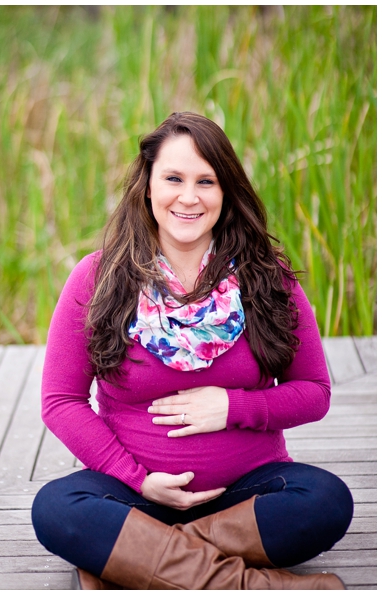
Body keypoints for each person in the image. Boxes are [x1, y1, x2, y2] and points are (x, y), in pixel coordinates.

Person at [31, 112, 353, 589]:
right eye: (174, 178)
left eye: (206, 181)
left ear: (226, 193)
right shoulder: (97, 278)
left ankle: (134, 558)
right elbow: (61, 402)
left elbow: (315, 391)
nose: (189, 196)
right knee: (56, 508)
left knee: (326, 500)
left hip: (247, 495)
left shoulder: (269, 280)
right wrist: (135, 478)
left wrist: (234, 406)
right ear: (148, 185)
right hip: (132, 492)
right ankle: (257, 586)